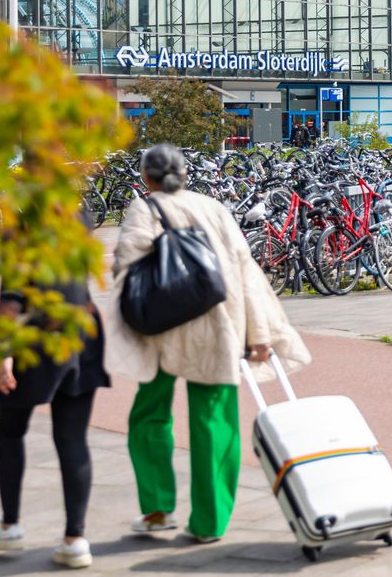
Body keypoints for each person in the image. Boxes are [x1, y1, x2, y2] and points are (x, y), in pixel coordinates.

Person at [108, 145, 310, 544]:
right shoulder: (214, 208)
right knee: (214, 421)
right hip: (218, 325)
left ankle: (157, 509)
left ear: (147, 176)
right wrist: (260, 336)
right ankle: (210, 521)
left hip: (162, 327)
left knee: (149, 415)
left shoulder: (144, 209)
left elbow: (125, 265)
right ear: (184, 174)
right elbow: (246, 272)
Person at [0, 210, 110, 569]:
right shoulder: (81, 214)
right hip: (79, 328)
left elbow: (12, 292)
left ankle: (10, 526)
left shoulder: (22, 219)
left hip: (32, 333)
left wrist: (3, 352)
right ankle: (75, 539)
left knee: (10, 431)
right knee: (72, 438)